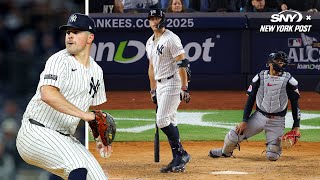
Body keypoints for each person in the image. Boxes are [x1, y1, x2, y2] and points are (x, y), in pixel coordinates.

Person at [15, 13, 110, 180]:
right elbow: (48, 94)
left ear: (90, 38)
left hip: (65, 138)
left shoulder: (97, 71)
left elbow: (93, 113)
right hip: (35, 131)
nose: (70, 36)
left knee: (98, 178)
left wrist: (98, 137)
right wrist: (85, 116)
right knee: (77, 166)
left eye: (76, 31)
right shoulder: (59, 60)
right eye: (68, 32)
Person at [209, 51, 301, 161]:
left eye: (283, 63)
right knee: (233, 135)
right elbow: (250, 99)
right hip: (259, 116)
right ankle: (225, 152)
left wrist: (296, 125)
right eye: (279, 62)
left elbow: (295, 104)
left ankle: (275, 147)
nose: (282, 65)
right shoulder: (260, 77)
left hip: (277, 121)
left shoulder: (289, 80)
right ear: (271, 63)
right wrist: (244, 120)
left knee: (272, 156)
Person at [146, 9, 191, 173]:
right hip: (160, 85)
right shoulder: (149, 42)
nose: (154, 21)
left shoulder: (171, 39)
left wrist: (184, 87)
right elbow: (151, 67)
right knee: (170, 120)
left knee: (162, 120)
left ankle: (182, 154)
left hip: (173, 82)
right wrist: (152, 90)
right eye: (151, 18)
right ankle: (178, 157)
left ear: (163, 20)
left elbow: (183, 62)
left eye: (157, 18)